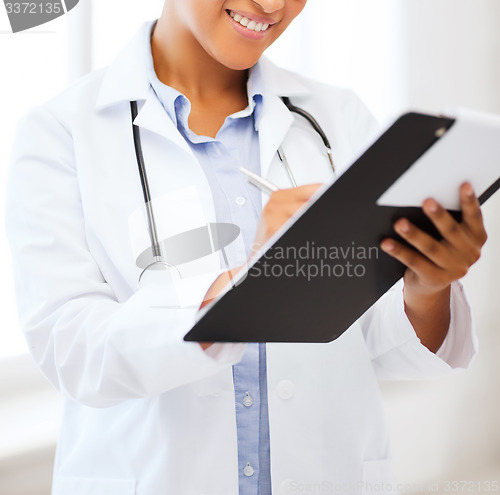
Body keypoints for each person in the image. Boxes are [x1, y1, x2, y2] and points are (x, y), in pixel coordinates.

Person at [5, 1, 487, 494]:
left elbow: (380, 344)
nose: (273, 4)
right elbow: (74, 352)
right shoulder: (59, 133)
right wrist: (248, 286)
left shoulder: (338, 117)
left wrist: (427, 287)